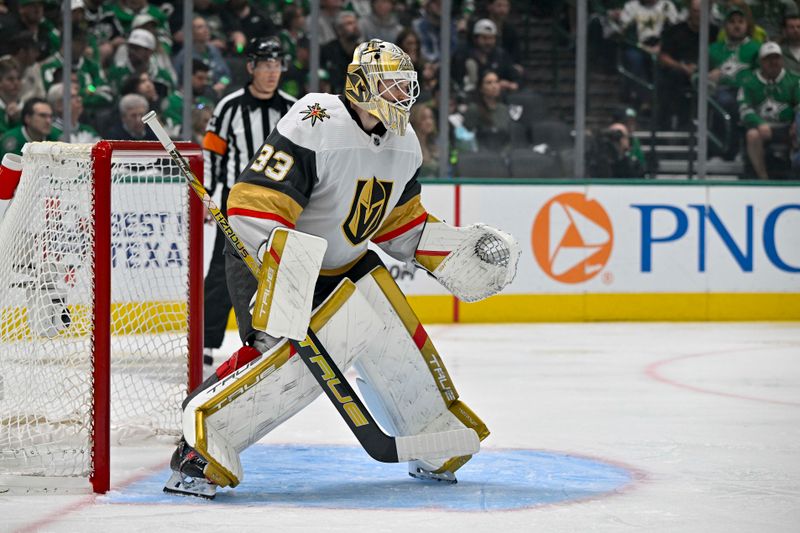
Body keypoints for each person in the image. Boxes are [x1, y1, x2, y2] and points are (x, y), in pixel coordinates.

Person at [163, 39, 518, 499]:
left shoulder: (404, 143)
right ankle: (201, 446)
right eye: (390, 85)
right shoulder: (317, 120)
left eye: (405, 86)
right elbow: (255, 203)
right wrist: (287, 269)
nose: (402, 96)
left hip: (345, 265)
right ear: (360, 86)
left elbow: (397, 224)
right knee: (283, 362)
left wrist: (450, 253)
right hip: (270, 256)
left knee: (394, 339)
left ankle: (431, 434)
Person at [200, 37, 296, 369]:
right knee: (221, 273)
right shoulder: (229, 108)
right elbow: (212, 152)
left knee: (284, 273)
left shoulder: (292, 109)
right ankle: (206, 341)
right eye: (266, 65)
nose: (272, 72)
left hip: (279, 206)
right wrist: (209, 193)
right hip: (236, 205)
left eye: (277, 65)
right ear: (251, 67)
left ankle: (286, 337)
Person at [738, 41, 800, 179]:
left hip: (787, 126)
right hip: (762, 127)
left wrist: (796, 122)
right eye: (768, 59)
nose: (773, 62)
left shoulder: (794, 80)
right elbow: (744, 108)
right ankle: (763, 177)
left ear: (782, 60)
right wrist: (759, 122)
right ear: (761, 61)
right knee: (752, 135)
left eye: (776, 58)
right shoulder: (749, 81)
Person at [463, 70, 513, 153]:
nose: (494, 86)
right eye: (489, 83)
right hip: (481, 157)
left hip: (503, 157)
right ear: (481, 88)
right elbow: (466, 137)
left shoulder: (504, 109)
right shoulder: (474, 109)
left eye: (496, 82)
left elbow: (508, 138)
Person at [0, 57, 21, 136]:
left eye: (18, 78)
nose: (16, 83)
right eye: (10, 79)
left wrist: (17, 120)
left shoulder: (25, 107)